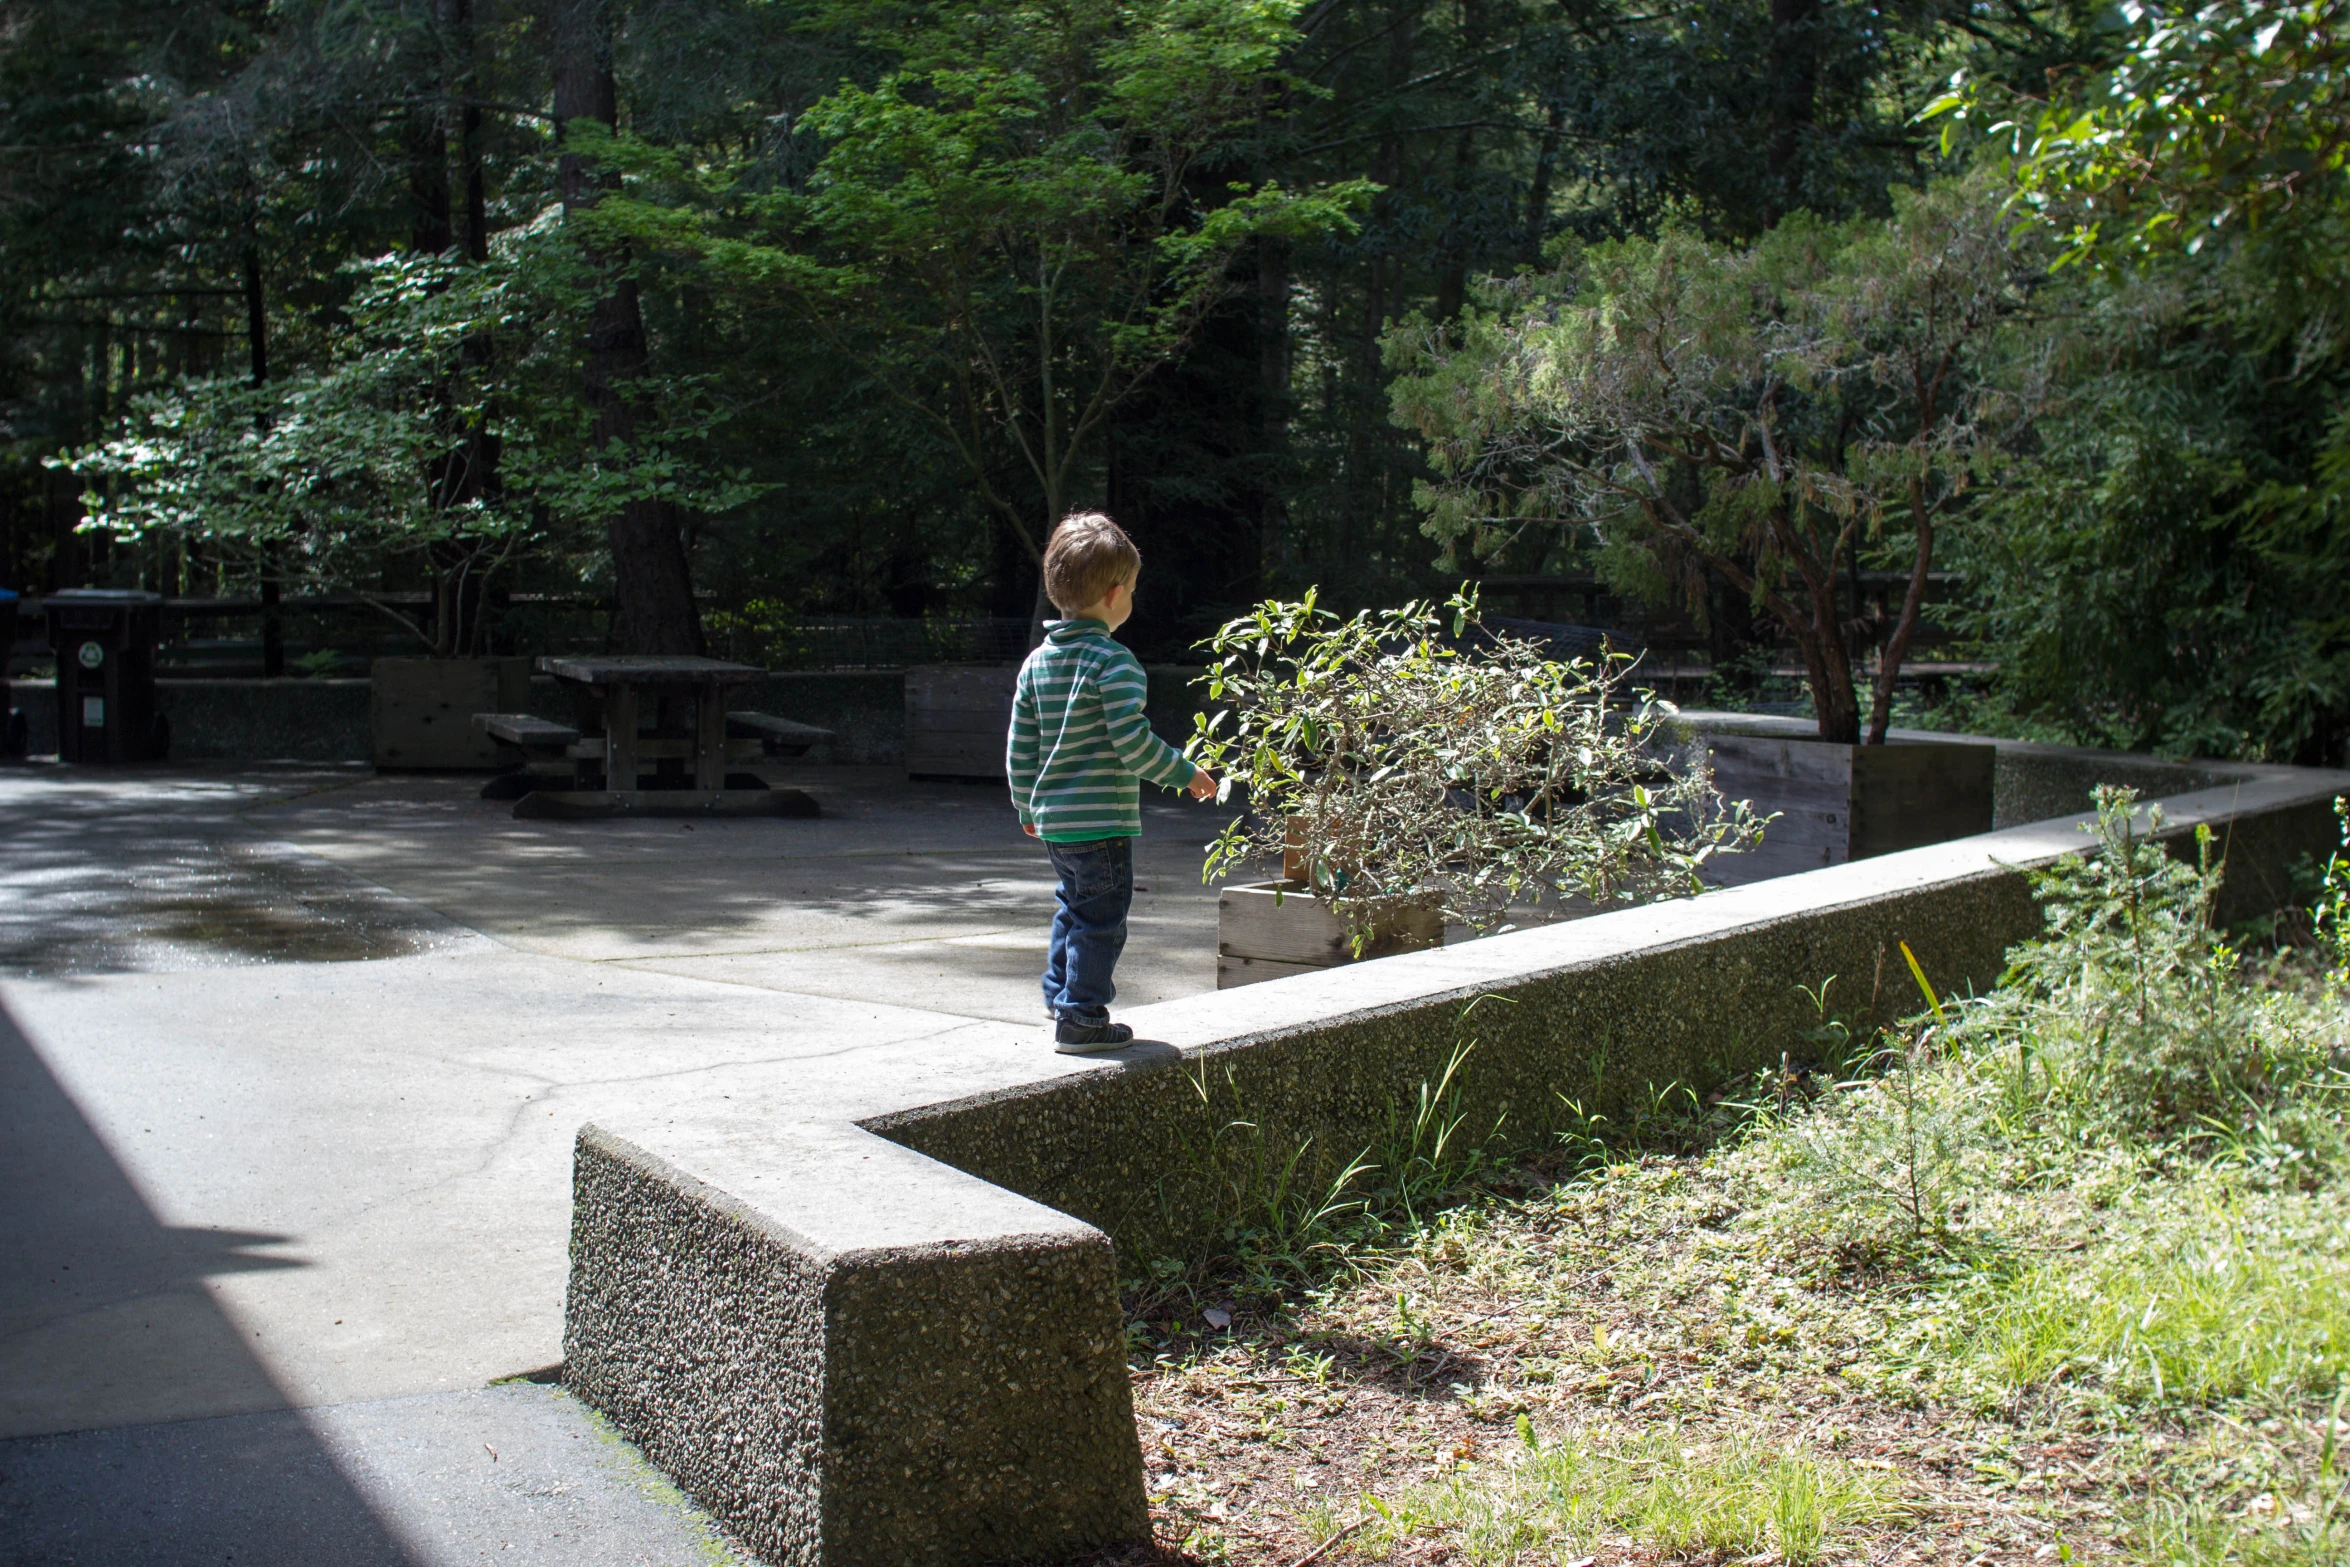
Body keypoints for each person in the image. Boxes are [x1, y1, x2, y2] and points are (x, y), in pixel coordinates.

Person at [1007, 513, 1216, 1052]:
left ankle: (1060, 997)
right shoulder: (1114, 662)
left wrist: (1026, 806)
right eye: (1134, 591)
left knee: (1073, 906)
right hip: (1100, 824)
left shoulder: (1036, 664)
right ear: (1115, 592)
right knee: (1101, 918)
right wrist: (1183, 772)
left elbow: (1020, 745)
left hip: (1054, 822)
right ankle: (1081, 1017)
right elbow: (1133, 743)